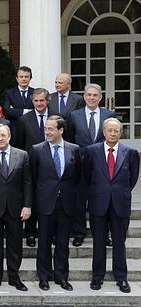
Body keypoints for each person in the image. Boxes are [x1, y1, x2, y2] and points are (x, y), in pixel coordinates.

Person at [83, 118, 139, 293]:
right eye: (110, 130)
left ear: (121, 133)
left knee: (119, 242)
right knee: (98, 241)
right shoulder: (91, 151)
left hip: (120, 203)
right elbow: (86, 176)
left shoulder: (130, 152)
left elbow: (133, 178)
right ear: (104, 132)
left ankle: (121, 277)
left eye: (116, 130)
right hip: (98, 202)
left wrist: (118, 192)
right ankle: (97, 277)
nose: (113, 133)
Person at [30, 115, 81, 292]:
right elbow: (33, 178)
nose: (47, 132)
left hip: (66, 203)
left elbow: (77, 176)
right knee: (43, 242)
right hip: (45, 203)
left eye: (51, 129)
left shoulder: (74, 149)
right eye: (46, 129)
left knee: (62, 243)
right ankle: (43, 277)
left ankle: (61, 277)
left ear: (61, 130)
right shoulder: (36, 150)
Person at [0, 124, 32, 292]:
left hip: (16, 208)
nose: (1, 139)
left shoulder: (22, 155)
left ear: (9, 137)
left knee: (15, 244)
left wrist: (27, 205)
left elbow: (27, 182)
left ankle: (14, 277)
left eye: (3, 135)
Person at [65, 83, 116, 247]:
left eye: (95, 95)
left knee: (103, 202)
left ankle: (103, 234)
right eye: (89, 95)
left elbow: (113, 140)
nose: (92, 98)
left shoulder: (109, 114)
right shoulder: (73, 115)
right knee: (79, 202)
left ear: (100, 97)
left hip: (102, 166)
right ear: (84, 97)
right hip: (80, 166)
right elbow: (70, 141)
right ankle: (79, 233)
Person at [16, 88, 54, 247]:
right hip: (30, 166)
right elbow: (19, 144)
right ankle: (30, 233)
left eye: (42, 100)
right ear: (32, 102)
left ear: (47, 101)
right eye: (36, 101)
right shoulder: (24, 120)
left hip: (52, 166)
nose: (39, 103)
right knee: (30, 197)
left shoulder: (56, 118)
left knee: (49, 200)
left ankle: (50, 233)